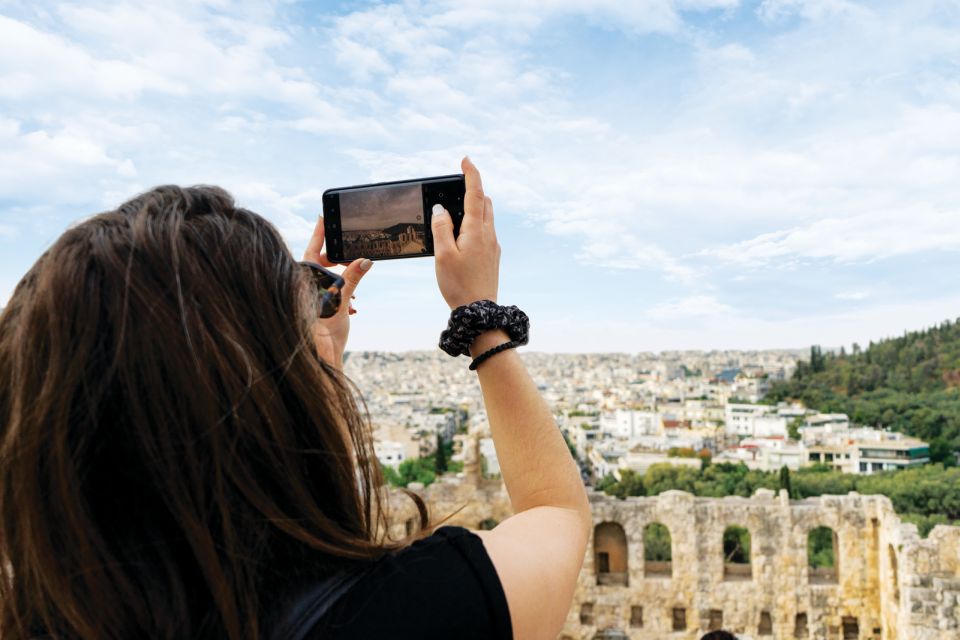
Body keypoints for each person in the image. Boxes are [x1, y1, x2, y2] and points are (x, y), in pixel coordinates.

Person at [0, 157, 591, 640]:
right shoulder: (404, 614)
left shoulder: (36, 617)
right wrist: (478, 318)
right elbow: (557, 514)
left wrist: (308, 358)